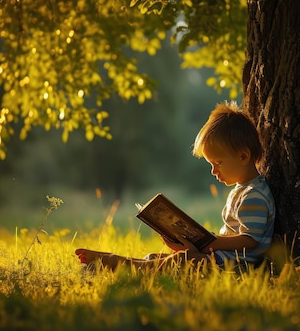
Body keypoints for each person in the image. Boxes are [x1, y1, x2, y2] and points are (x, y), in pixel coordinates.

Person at [75, 101, 275, 271]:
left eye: (218, 163)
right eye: (211, 164)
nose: (214, 171)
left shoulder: (254, 195)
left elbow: (249, 240)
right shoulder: (242, 191)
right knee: (161, 257)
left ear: (243, 156)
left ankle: (120, 265)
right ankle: (124, 263)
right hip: (221, 258)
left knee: (182, 261)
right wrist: (197, 243)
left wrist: (208, 244)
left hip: (235, 267)